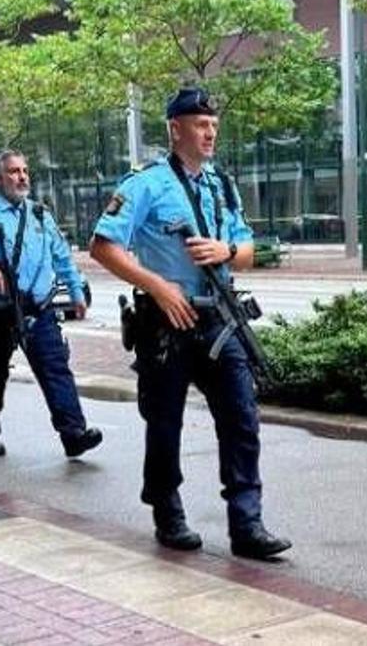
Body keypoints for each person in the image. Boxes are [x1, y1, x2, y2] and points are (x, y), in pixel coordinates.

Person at [89, 87, 291, 561]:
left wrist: (226, 252)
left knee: (242, 420)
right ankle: (167, 509)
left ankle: (247, 524)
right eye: (201, 125)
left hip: (220, 319)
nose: (210, 134)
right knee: (165, 424)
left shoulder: (222, 186)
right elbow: (103, 245)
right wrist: (157, 285)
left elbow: (248, 251)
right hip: (167, 320)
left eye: (214, 126)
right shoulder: (146, 184)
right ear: (175, 128)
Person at [0, 150, 103, 459]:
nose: (22, 177)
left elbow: (61, 256)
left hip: (38, 309)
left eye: (25, 170)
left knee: (56, 368)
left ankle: (74, 434)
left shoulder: (40, 214)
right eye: (14, 171)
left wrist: (76, 291)